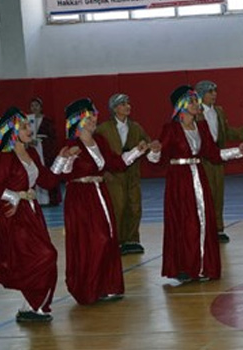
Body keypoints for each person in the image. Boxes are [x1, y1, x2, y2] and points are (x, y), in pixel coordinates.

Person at [149, 85, 243, 282]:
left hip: (199, 176)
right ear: (181, 106)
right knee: (184, 222)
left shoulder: (202, 127)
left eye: (195, 101)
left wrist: (238, 151)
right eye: (191, 101)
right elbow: (157, 159)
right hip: (179, 181)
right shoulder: (171, 129)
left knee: (203, 220)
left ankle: (201, 266)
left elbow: (214, 155)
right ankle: (185, 266)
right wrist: (154, 150)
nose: (195, 104)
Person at [57, 98, 155, 304]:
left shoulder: (99, 141)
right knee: (92, 240)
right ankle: (88, 287)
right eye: (89, 116)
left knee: (108, 238)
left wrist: (138, 150)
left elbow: (116, 163)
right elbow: (61, 175)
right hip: (81, 199)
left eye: (94, 115)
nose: (94, 119)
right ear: (78, 120)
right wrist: (66, 158)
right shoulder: (71, 145)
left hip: (100, 194)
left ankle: (106, 285)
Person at [0, 107, 71, 322]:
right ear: (12, 131)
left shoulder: (31, 153)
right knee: (43, 256)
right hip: (13, 217)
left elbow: (48, 181)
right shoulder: (5, 157)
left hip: (32, 214)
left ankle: (32, 306)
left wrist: (61, 159)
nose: (29, 129)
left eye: (28, 125)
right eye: (23, 126)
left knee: (45, 256)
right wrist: (15, 196)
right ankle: (32, 304)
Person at [196, 80, 243, 243]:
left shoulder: (219, 111)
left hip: (218, 156)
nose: (214, 95)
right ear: (201, 94)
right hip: (202, 158)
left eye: (215, 92)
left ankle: (218, 228)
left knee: (218, 194)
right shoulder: (195, 113)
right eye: (210, 92)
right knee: (204, 194)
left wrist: (242, 131)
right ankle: (203, 228)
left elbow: (226, 132)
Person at [96, 94, 152, 255]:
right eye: (122, 104)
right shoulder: (103, 129)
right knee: (117, 207)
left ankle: (132, 239)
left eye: (128, 103)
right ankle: (117, 240)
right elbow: (97, 153)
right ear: (114, 108)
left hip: (133, 173)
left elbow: (146, 143)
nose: (127, 106)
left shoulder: (136, 127)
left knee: (134, 206)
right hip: (113, 175)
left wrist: (148, 146)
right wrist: (103, 172)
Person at [27, 97, 62, 206]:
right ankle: (34, 197)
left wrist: (42, 142)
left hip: (45, 150)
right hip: (33, 149)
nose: (34, 108)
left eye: (36, 105)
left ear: (41, 107)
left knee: (47, 171)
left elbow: (53, 137)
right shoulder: (27, 121)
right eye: (32, 106)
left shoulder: (47, 121)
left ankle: (52, 199)